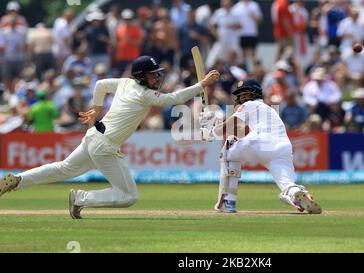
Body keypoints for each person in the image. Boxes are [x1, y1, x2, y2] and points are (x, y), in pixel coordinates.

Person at [0, 56, 220, 219]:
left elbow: (100, 84)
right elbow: (174, 98)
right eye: (153, 74)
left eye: (157, 74)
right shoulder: (142, 94)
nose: (157, 77)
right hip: (104, 145)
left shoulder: (125, 83)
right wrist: (202, 85)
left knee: (63, 168)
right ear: (141, 76)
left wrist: (96, 109)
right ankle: (79, 198)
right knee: (128, 196)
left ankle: (19, 180)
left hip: (94, 136)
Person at [199, 79, 322, 214]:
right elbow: (239, 130)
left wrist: (210, 132)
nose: (241, 97)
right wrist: (212, 127)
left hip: (261, 142)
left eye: (245, 94)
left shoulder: (250, 105)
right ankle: (295, 193)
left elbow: (231, 124)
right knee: (286, 183)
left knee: (230, 146)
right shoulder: (269, 110)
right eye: (240, 94)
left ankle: (228, 201)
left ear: (254, 94)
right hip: (283, 148)